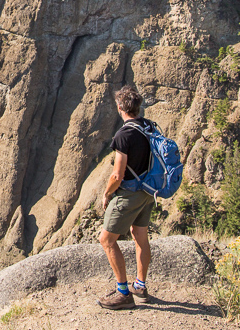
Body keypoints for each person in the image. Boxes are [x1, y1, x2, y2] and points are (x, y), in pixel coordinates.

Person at [97, 85, 155, 310]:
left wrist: (107, 193)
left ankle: (123, 293)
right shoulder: (149, 126)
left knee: (107, 240)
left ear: (120, 107)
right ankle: (140, 286)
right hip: (148, 192)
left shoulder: (124, 134)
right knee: (140, 236)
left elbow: (117, 174)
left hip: (129, 194)